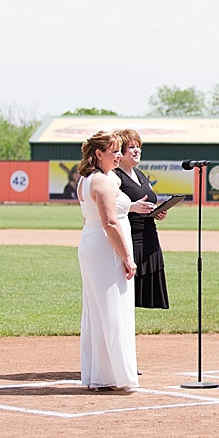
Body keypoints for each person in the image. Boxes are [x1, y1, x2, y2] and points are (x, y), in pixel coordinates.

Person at [76, 130, 139, 392]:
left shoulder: (97, 178)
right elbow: (110, 222)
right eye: (114, 151)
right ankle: (116, 376)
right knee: (112, 309)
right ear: (98, 153)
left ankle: (103, 374)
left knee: (101, 310)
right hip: (105, 247)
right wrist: (127, 257)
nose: (119, 155)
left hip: (94, 243)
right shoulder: (100, 181)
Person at [114, 128, 170, 310]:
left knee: (143, 296)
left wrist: (158, 212)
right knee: (124, 296)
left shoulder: (140, 174)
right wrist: (132, 207)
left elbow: (147, 201)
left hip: (149, 237)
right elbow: (108, 207)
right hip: (131, 238)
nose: (137, 150)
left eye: (138, 146)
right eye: (131, 147)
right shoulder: (114, 176)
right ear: (120, 152)